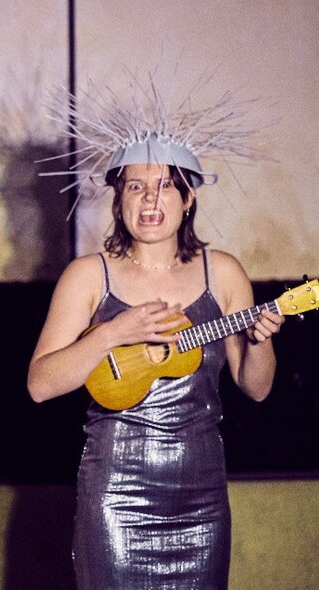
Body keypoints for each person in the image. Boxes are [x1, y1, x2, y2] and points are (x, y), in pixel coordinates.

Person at [28, 123, 284, 586]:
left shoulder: (222, 273)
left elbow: (258, 388)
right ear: (118, 198)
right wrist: (110, 333)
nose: (150, 200)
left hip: (202, 493)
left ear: (188, 199)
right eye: (136, 186)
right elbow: (40, 385)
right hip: (115, 492)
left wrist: (260, 338)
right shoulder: (89, 276)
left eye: (166, 185)